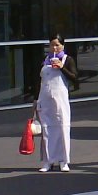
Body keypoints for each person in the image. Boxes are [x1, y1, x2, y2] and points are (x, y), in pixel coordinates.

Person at [34, 33, 78, 172]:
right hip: (45, 99)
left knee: (62, 128)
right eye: (52, 45)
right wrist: (35, 100)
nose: (54, 47)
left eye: (57, 45)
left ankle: (63, 161)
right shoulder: (45, 60)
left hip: (60, 100)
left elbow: (75, 78)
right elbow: (38, 81)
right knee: (47, 130)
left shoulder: (67, 59)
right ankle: (48, 161)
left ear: (63, 46)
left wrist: (61, 67)